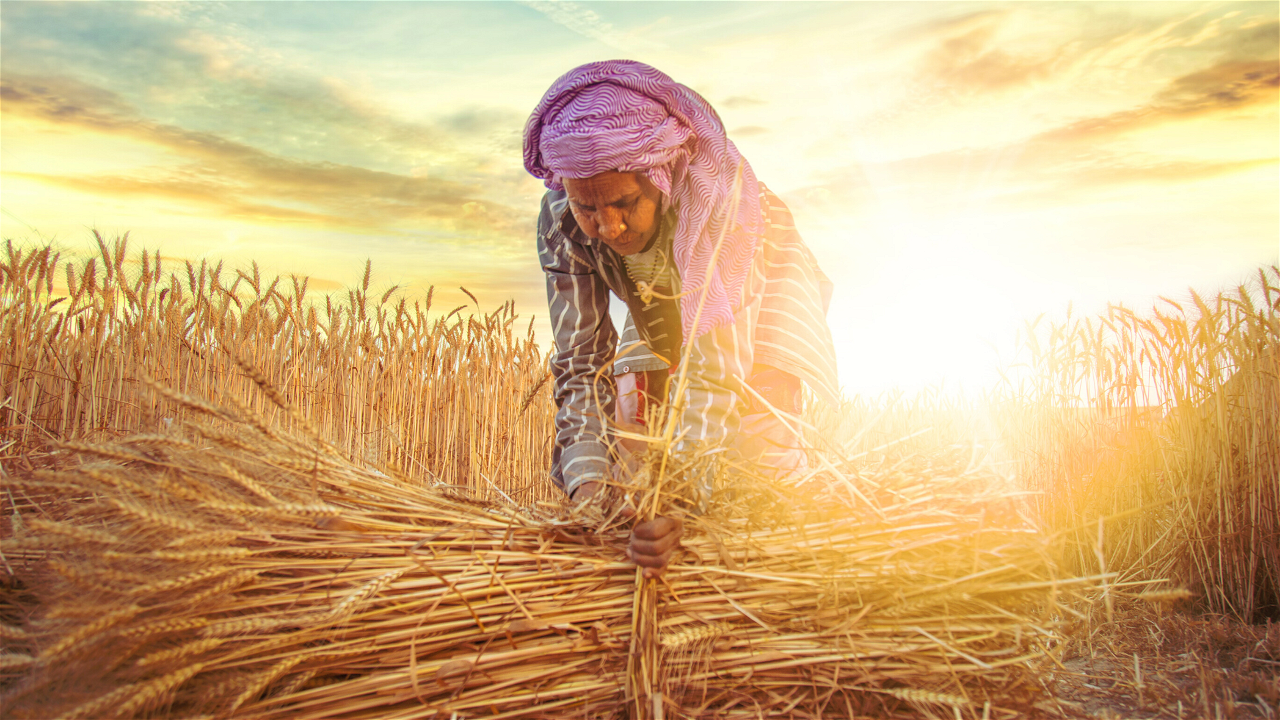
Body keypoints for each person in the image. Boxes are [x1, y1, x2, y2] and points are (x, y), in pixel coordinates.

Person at [523, 60, 839, 577]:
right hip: (660, 294)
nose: (607, 225)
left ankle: (792, 567)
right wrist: (590, 494)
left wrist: (680, 503)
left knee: (760, 445)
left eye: (624, 202)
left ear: (661, 178)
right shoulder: (560, 218)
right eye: (588, 208)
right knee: (633, 420)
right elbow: (581, 365)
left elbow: (715, 373)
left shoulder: (720, 206)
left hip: (762, 280)